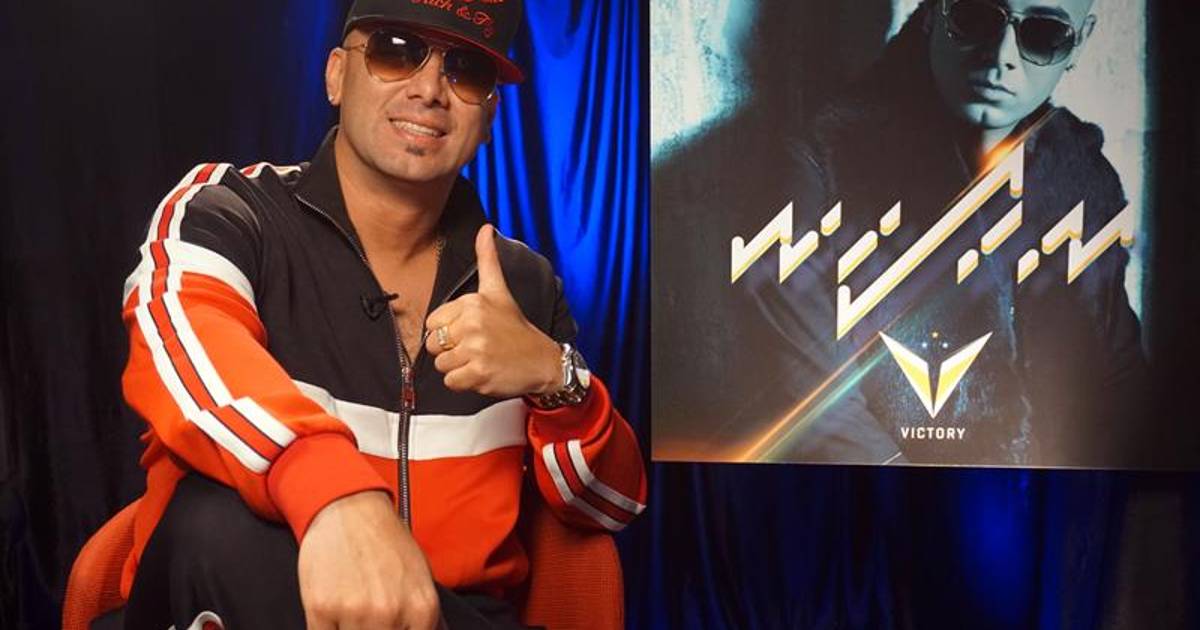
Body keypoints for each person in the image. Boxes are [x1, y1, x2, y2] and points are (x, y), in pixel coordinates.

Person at [117, 1, 646, 628]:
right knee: (213, 522)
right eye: (396, 51)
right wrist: (334, 496)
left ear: (488, 117)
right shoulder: (232, 213)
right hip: (256, 589)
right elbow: (185, 348)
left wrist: (555, 377)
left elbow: (608, 507)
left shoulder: (520, 283)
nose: (430, 90)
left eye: (466, 70)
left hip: (454, 615)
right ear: (337, 75)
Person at [737, 0, 1147, 466]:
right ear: (934, 11)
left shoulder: (1083, 177)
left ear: (1081, 42)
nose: (1001, 57)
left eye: (1044, 34)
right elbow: (810, 406)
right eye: (975, 16)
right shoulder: (820, 164)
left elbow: (1119, 377)